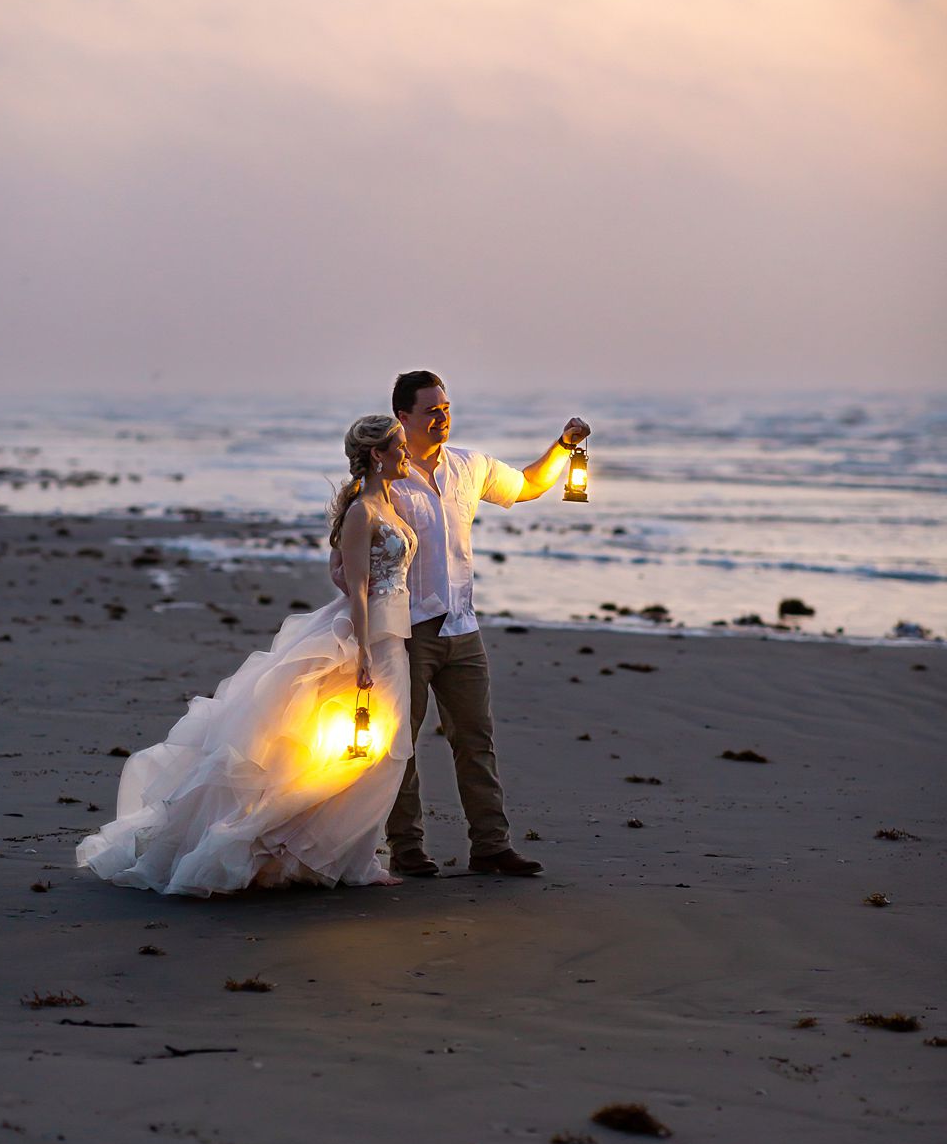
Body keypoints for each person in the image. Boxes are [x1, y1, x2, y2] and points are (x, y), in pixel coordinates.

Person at [78, 416, 419, 895]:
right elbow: (358, 590)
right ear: (379, 455)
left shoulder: (391, 502)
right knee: (365, 751)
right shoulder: (364, 512)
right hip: (370, 641)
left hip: (394, 639)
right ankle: (277, 840)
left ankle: (353, 858)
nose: (408, 452)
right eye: (400, 446)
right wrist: (363, 653)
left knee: (382, 753)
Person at [380, 370, 590, 878]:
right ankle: (407, 849)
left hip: (462, 628)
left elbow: (528, 486)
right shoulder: (383, 477)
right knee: (398, 747)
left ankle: (491, 846)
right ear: (403, 418)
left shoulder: (469, 467)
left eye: (446, 408)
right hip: (405, 631)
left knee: (475, 739)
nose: (442, 418)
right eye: (431, 411)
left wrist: (564, 448)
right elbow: (354, 543)